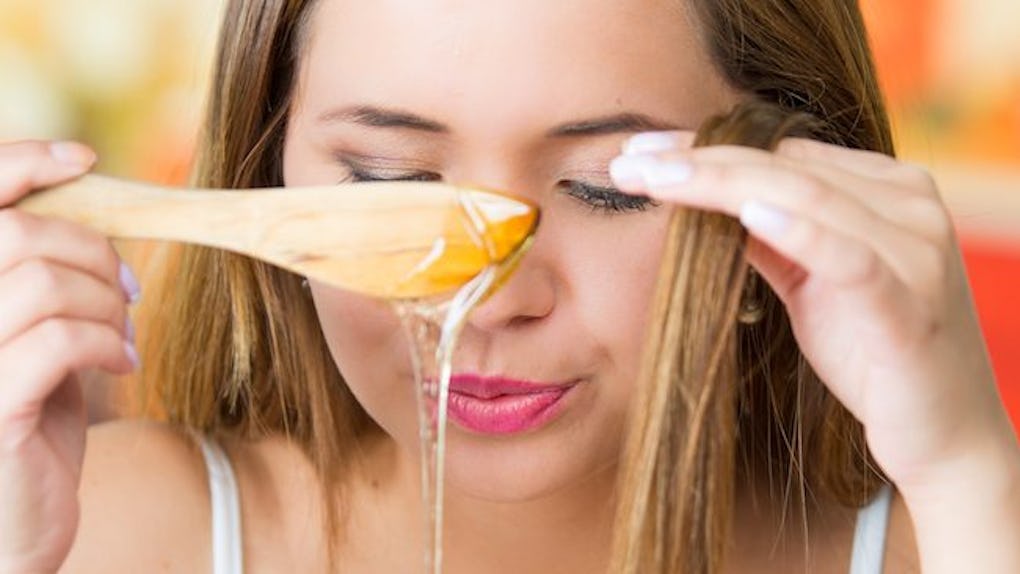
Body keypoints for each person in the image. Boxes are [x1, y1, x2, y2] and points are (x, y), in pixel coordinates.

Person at [1, 0, 1018, 572]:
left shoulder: (949, 543)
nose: (490, 300)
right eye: (390, 182)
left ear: (793, 184)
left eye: (604, 190)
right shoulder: (114, 532)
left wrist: (973, 479)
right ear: (267, 161)